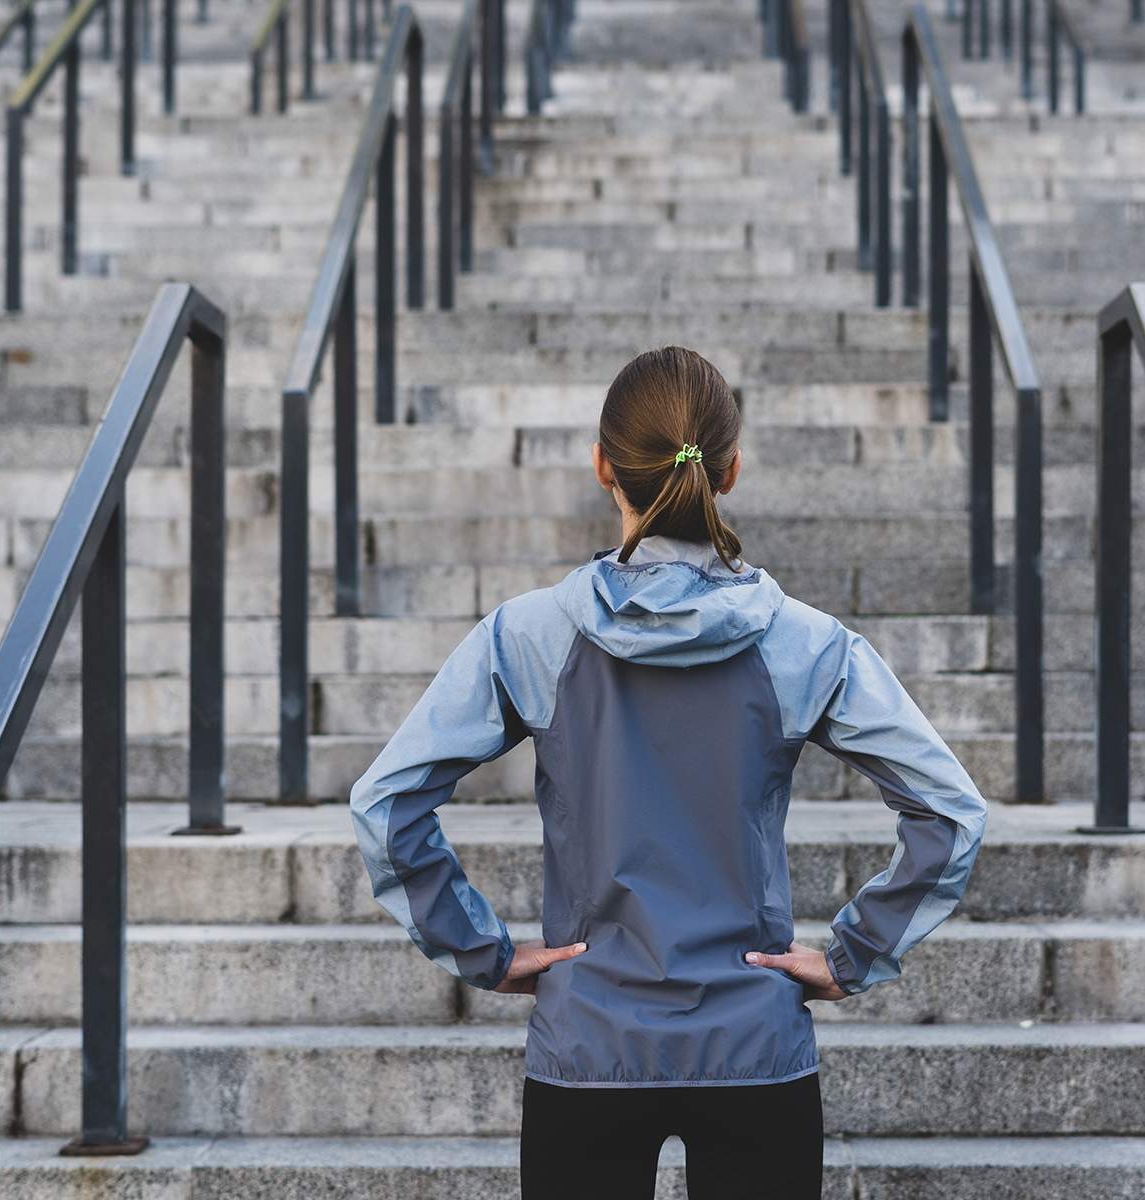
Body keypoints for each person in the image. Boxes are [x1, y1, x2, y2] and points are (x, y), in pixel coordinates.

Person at [348, 346, 989, 1199]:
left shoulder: (529, 635)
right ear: (731, 470)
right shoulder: (805, 642)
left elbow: (386, 803)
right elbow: (950, 812)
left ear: (602, 466)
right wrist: (854, 955)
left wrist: (482, 952)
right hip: (755, 1042)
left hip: (588, 1039)